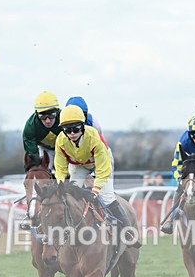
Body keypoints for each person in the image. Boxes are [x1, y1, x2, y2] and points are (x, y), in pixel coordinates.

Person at [53, 104, 138, 253]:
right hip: (79, 166)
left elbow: (103, 170)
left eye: (75, 129)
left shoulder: (93, 137)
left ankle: (128, 232)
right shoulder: (60, 141)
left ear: (83, 126)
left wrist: (95, 190)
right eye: (67, 130)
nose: (72, 133)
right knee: (70, 196)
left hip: (101, 164)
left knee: (107, 197)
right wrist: (60, 185)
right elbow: (60, 169)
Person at [160, 116, 195, 234]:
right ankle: (171, 219)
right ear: (190, 135)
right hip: (190, 162)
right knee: (180, 188)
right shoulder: (183, 143)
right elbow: (176, 164)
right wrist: (180, 180)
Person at [22, 91, 62, 170]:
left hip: (64, 149)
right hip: (45, 149)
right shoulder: (30, 126)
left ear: (57, 112)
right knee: (42, 170)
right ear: (37, 114)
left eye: (52, 115)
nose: (47, 121)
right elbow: (32, 154)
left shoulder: (65, 118)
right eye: (42, 116)